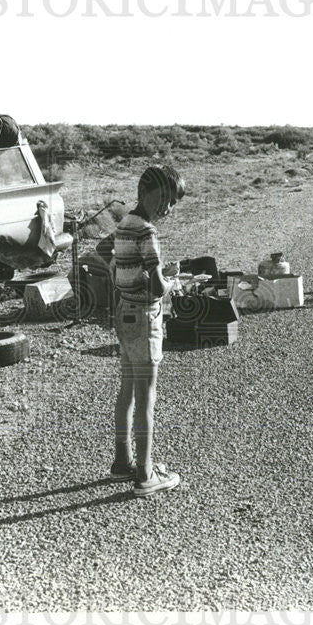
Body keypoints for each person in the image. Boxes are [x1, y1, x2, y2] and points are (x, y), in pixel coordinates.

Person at [109, 165, 186, 497]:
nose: (168, 208)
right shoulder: (148, 231)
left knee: (127, 391)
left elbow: (120, 273)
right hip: (144, 317)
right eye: (166, 199)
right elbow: (156, 288)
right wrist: (173, 281)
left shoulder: (125, 224)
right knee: (147, 398)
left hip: (124, 313)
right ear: (147, 193)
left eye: (173, 203)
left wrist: (152, 276)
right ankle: (145, 474)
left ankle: (122, 461)